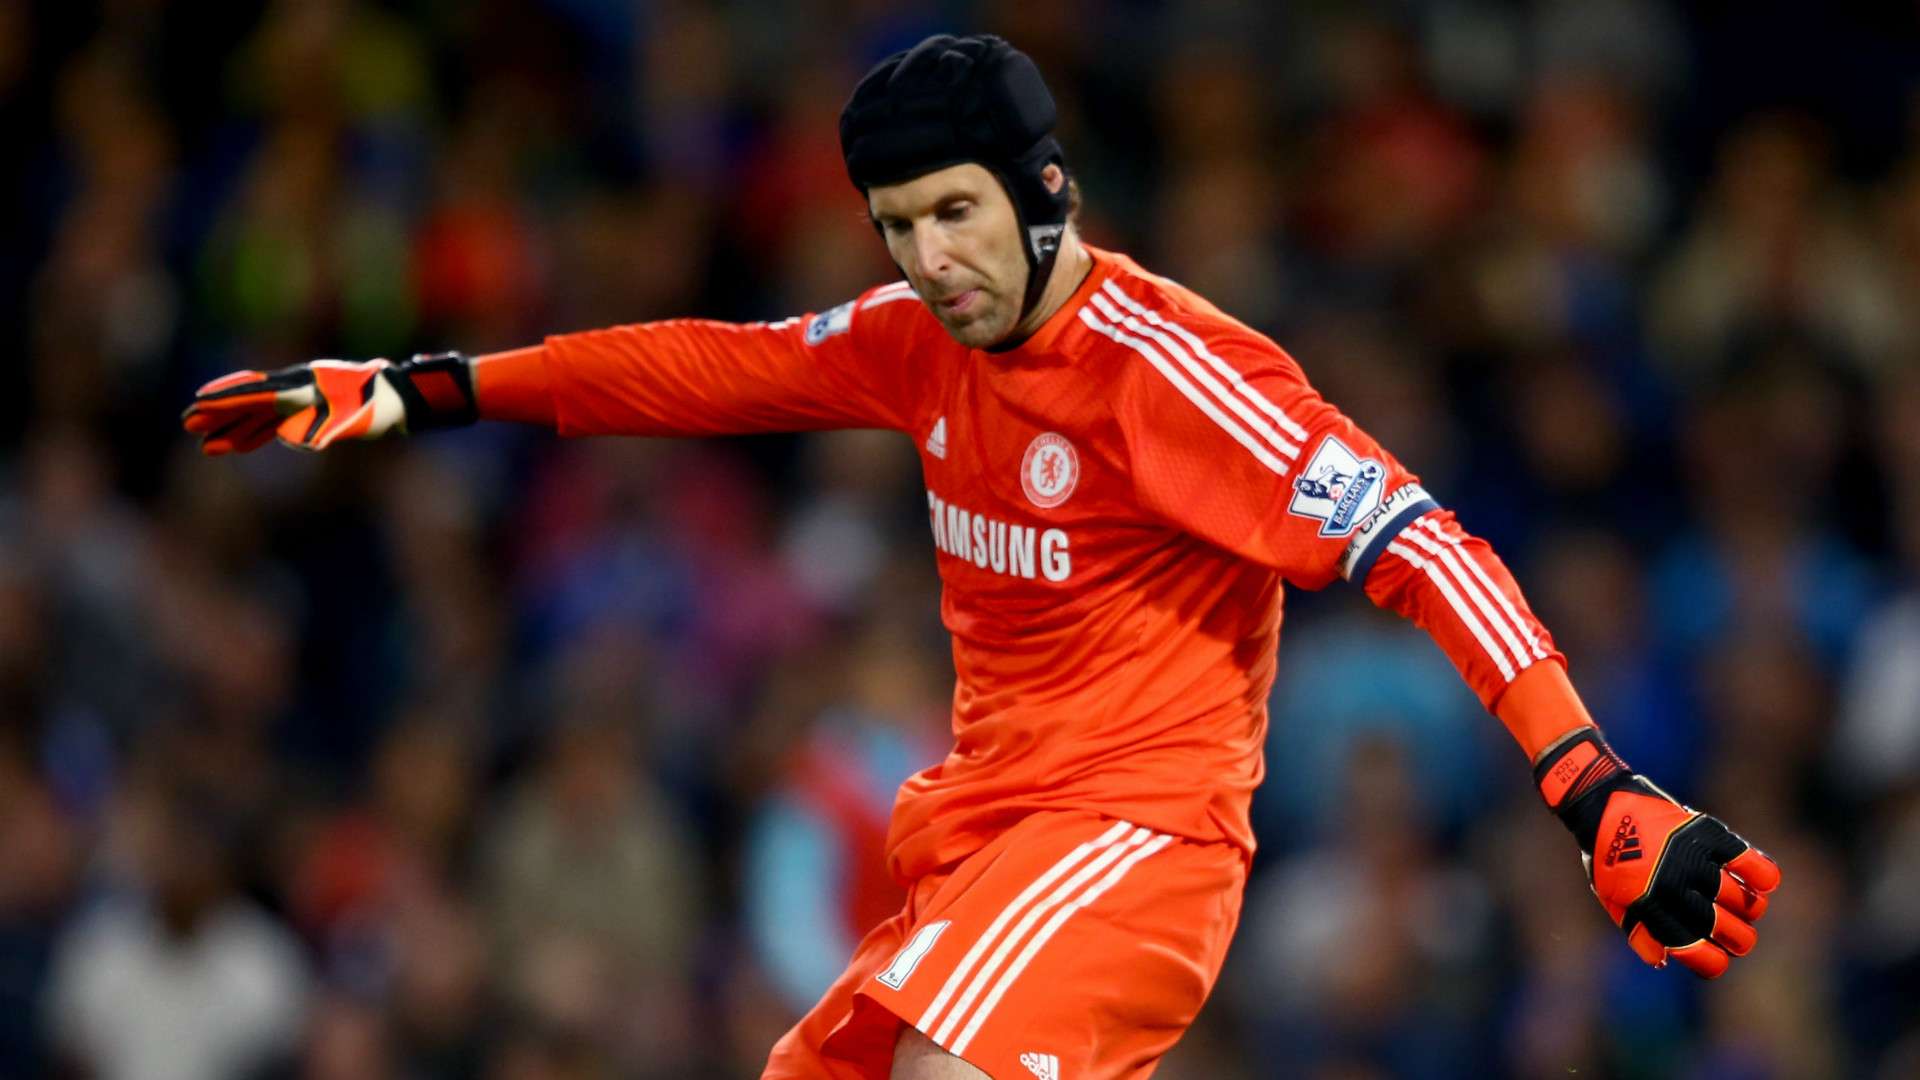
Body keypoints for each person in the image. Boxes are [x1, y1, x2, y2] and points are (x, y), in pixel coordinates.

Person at [182, 33, 1783, 1080]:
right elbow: (698, 365)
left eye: (954, 213)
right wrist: (424, 387)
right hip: (983, 837)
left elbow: (1425, 543)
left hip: (1141, 838)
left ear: (1044, 192)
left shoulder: (1170, 371)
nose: (928, 260)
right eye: (894, 224)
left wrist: (1589, 780)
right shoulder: (913, 341)